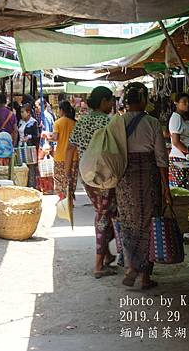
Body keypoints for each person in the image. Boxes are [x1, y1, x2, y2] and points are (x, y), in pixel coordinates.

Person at [117, 82, 171, 290]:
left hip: (125, 179)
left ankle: (132, 265)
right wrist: (166, 186)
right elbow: (161, 158)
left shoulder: (117, 123)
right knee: (150, 223)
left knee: (129, 223)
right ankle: (145, 277)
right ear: (143, 100)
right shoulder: (153, 123)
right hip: (149, 178)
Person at [67, 86, 118, 278]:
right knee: (104, 216)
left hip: (87, 175)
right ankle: (98, 265)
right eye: (110, 100)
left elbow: (70, 148)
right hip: (105, 176)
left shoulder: (82, 121)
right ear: (103, 101)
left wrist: (69, 176)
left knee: (105, 213)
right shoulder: (108, 122)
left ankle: (106, 255)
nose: (112, 104)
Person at [50, 101, 78, 199]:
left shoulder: (58, 123)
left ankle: (63, 199)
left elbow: (55, 137)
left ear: (61, 110)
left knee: (59, 180)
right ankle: (69, 198)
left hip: (60, 156)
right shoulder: (75, 123)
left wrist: (47, 136)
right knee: (71, 179)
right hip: (74, 156)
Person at [168, 93, 189, 189]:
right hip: (179, 158)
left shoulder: (183, 117)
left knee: (186, 189)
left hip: (184, 158)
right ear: (176, 103)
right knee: (182, 190)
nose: (187, 104)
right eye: (184, 102)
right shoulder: (176, 118)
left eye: (188, 102)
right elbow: (176, 142)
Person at [18, 103, 40, 188]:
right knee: (22, 167)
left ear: (28, 112)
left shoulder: (33, 122)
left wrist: (29, 137)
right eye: (21, 112)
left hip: (30, 148)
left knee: (31, 168)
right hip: (21, 147)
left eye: (23, 112)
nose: (21, 114)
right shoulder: (20, 122)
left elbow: (37, 136)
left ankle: (31, 187)